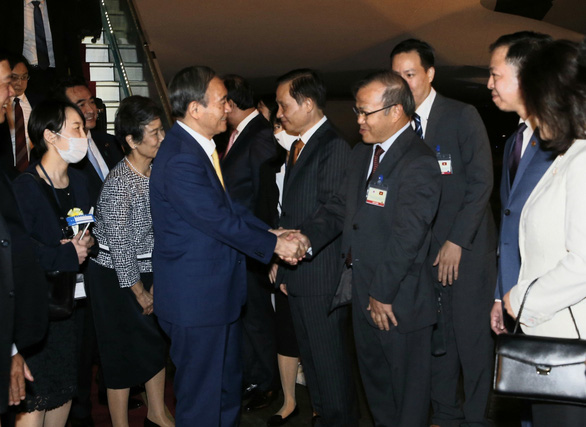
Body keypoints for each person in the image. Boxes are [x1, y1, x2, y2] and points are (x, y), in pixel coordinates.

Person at [149, 65, 306, 427]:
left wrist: (273, 233)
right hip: (196, 301)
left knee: (224, 392)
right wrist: (274, 245)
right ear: (195, 109)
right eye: (221, 101)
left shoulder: (199, 147)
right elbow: (217, 221)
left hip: (215, 297)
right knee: (203, 402)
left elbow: (228, 208)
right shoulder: (181, 158)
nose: (227, 106)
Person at [302, 70, 441, 426]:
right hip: (364, 296)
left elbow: (408, 236)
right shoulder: (364, 154)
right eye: (357, 112)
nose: (359, 120)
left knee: (407, 399)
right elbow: (346, 214)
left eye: (366, 113)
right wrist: (302, 239)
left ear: (395, 111)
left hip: (398, 301)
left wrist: (382, 293)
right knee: (377, 392)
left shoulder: (419, 161)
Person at [390, 39, 497, 427]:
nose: (402, 82)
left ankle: (476, 418)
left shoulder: (461, 115)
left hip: (465, 251)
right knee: (437, 343)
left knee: (471, 342)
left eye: (410, 74)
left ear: (430, 74)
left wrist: (456, 241)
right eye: (396, 75)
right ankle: (446, 416)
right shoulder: (398, 127)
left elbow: (482, 184)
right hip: (423, 256)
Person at [503, 38, 586, 427]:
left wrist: (521, 299)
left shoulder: (583, 163)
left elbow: (583, 263)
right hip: (555, 343)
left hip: (570, 349)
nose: (533, 113)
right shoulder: (569, 156)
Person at [274, 68, 358, 426]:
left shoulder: (333, 145)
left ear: (307, 104)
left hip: (321, 276)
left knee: (330, 370)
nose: (279, 113)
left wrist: (302, 241)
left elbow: (335, 208)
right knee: (315, 370)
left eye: (284, 105)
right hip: (299, 275)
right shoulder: (298, 146)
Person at [84, 95, 172, 427]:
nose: (162, 138)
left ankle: (157, 412)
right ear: (132, 141)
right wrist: (141, 293)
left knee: (153, 343)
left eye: (162, 130)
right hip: (115, 279)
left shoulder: (155, 172)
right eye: (154, 133)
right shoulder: (120, 184)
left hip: (146, 270)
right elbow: (120, 249)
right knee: (118, 352)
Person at [12, 98, 94, 427]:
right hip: (39, 315)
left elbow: (90, 232)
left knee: (62, 401)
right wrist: (64, 253)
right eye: (76, 128)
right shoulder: (26, 188)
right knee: (34, 411)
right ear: (50, 136)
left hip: (74, 311)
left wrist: (87, 243)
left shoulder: (81, 182)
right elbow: (17, 254)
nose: (83, 134)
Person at [220, 74, 281, 412]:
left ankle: (266, 382)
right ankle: (252, 375)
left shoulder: (259, 135)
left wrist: (266, 245)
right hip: (238, 241)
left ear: (230, 103)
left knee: (257, 315)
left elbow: (264, 199)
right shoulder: (237, 135)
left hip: (253, 242)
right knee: (245, 314)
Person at [487, 32, 554, 334]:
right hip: (516, 300)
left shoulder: (565, 145)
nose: (489, 84)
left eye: (495, 75)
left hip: (553, 304)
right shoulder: (515, 140)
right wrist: (501, 295)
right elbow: (509, 222)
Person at [266, 117, 301, 426]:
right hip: (282, 254)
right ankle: (289, 400)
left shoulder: (322, 154)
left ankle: (319, 401)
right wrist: (274, 256)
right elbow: (273, 215)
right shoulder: (275, 166)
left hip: (312, 256)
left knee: (316, 337)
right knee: (286, 332)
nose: (279, 131)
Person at [0, 0, 82, 97]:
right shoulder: (8, 7)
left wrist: (79, 82)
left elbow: (72, 46)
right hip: (23, 75)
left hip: (55, 74)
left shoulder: (60, 6)